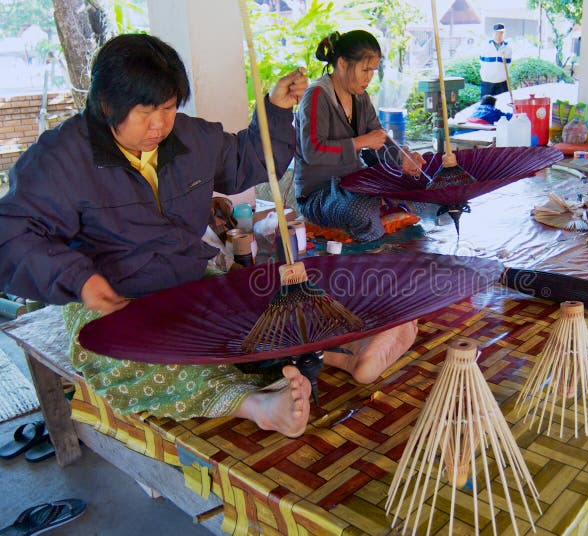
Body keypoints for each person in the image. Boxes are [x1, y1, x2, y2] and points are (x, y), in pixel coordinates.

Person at [0, 34, 417, 439]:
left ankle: (348, 352)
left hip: (189, 282)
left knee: (269, 304)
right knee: (130, 355)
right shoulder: (62, 157)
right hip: (114, 300)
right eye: (145, 112)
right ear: (107, 105)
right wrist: (80, 280)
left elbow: (250, 159)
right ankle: (256, 406)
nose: (159, 125)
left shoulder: (188, 137)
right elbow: (12, 232)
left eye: (167, 108)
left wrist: (273, 108)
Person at [294, 30, 425, 242]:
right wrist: (360, 142)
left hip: (354, 183)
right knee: (362, 213)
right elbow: (313, 152)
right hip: (318, 193)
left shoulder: (360, 97)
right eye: (365, 69)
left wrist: (403, 159)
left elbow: (379, 137)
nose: (369, 77)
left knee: (418, 190)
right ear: (343, 64)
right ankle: (378, 214)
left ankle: (381, 204)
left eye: (373, 70)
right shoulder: (317, 96)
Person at [479, 23, 512, 97]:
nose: (499, 35)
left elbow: (508, 65)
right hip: (487, 82)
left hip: (502, 83)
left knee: (502, 103)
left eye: (501, 33)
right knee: (485, 105)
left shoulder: (508, 48)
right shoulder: (485, 46)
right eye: (497, 33)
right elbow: (482, 63)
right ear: (493, 33)